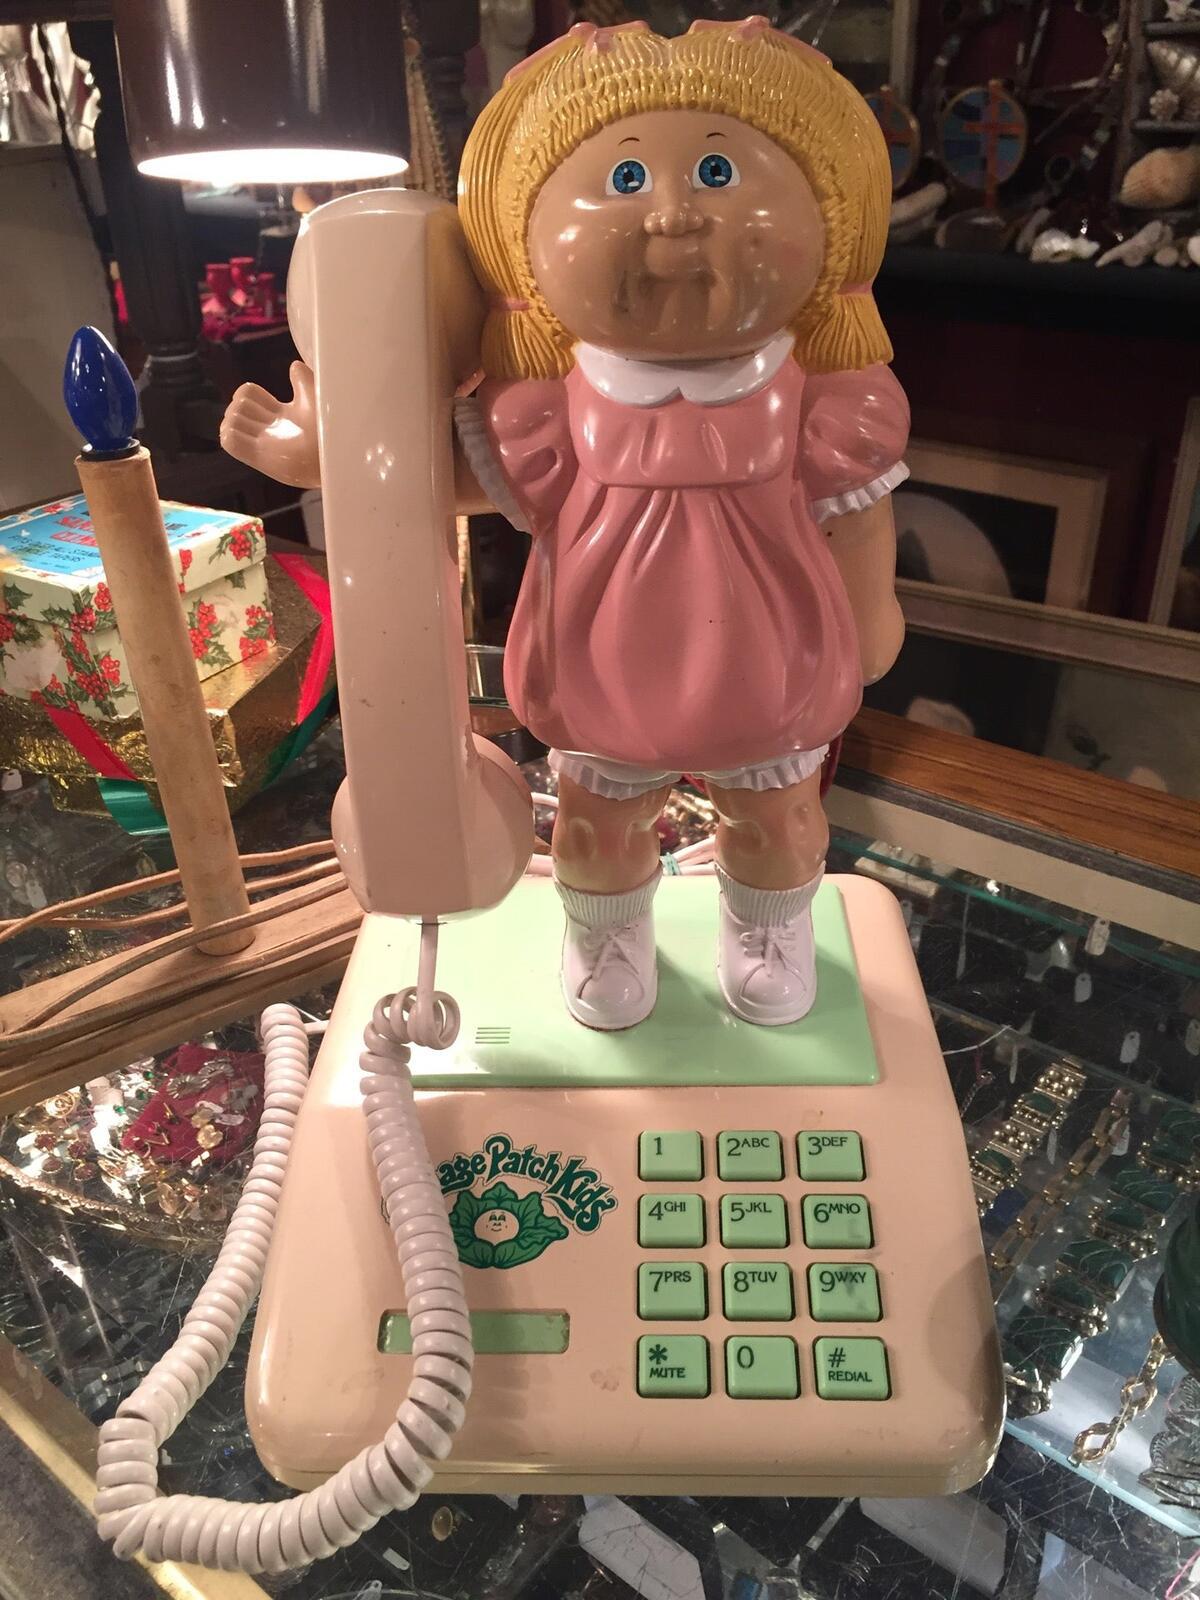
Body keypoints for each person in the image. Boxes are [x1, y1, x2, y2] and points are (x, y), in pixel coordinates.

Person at [222, 17, 910, 1034]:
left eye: (717, 172)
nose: (674, 213)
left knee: (778, 816)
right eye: (625, 180)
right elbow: (436, 483)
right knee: (595, 824)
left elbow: (855, 517)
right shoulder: (546, 410)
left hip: (771, 660)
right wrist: (331, 459)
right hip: (602, 660)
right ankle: (605, 936)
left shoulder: (826, 401)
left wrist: (870, 615)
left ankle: (768, 931)